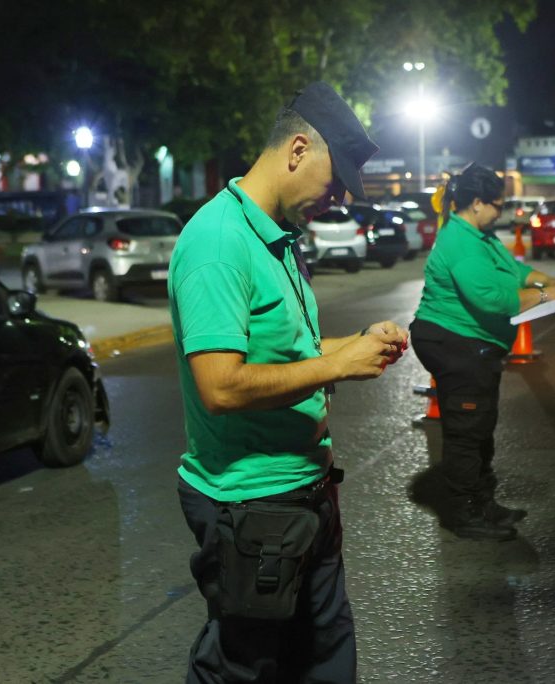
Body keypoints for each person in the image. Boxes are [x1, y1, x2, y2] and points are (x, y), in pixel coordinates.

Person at [169, 81, 408, 683]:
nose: (333, 199)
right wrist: (335, 366)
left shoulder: (273, 237)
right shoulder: (218, 243)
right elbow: (220, 386)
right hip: (252, 504)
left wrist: (355, 348)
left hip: (305, 492)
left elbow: (287, 353)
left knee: (324, 655)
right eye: (333, 183)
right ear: (298, 149)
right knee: (243, 667)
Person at [410, 162, 555, 540]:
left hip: (474, 345)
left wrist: (543, 280)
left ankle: (484, 503)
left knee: (481, 427)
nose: (502, 211)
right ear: (477, 203)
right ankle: (464, 513)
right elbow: (492, 299)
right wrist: (545, 294)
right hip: (455, 343)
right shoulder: (460, 241)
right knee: (466, 431)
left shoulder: (480, 236)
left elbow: (512, 272)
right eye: (497, 204)